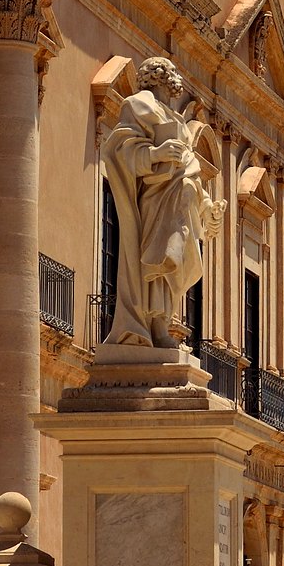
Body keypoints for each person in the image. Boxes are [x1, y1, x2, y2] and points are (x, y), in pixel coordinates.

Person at [96, 56, 223, 350]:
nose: (177, 78)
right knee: (159, 258)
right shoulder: (138, 105)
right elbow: (121, 151)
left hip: (181, 199)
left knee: (173, 262)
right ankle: (155, 325)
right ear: (160, 76)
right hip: (155, 198)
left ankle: (161, 324)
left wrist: (205, 205)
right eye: (172, 72)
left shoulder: (176, 119)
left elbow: (190, 167)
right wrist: (156, 154)